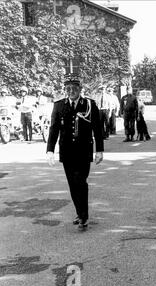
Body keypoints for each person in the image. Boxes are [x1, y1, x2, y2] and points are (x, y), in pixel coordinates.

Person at [46, 74, 104, 230]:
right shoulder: (59, 106)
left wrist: (99, 150)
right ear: (65, 89)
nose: (71, 91)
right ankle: (80, 213)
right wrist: (50, 150)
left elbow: (97, 129)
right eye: (68, 88)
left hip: (84, 151)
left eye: (74, 88)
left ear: (80, 89)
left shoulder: (89, 105)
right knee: (72, 184)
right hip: (66, 152)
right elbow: (54, 130)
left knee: (80, 182)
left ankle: (84, 217)